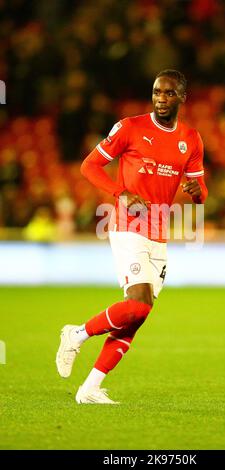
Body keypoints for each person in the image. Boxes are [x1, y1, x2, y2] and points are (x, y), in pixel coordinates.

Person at [55, 69, 208, 404]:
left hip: (158, 234)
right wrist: (120, 191)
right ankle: (77, 334)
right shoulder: (130, 127)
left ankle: (90, 388)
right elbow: (89, 166)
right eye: (156, 92)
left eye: (169, 93)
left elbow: (201, 193)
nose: (161, 99)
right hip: (127, 225)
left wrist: (197, 191)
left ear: (182, 96)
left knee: (136, 317)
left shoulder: (191, 139)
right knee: (138, 303)